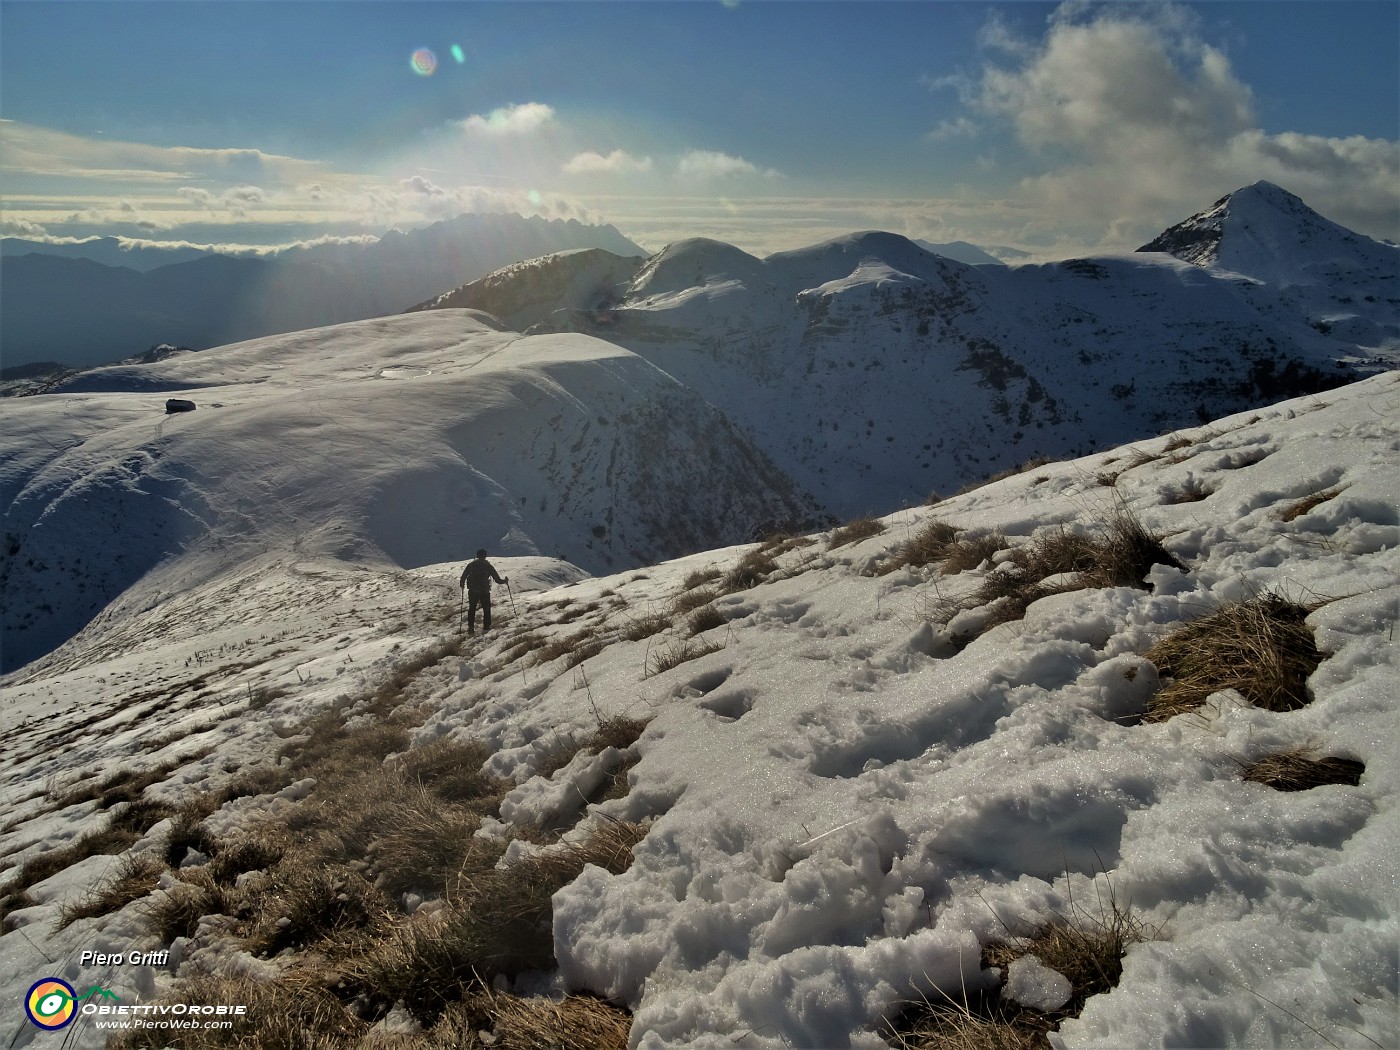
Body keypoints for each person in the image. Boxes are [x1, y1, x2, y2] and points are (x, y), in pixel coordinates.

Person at [459, 549, 508, 635]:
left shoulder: (471, 565)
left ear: (477, 556)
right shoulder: (488, 566)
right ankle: (486, 627)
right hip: (484, 590)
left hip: (473, 590)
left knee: (472, 608)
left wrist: (462, 585)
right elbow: (497, 579)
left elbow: (463, 577)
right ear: (485, 556)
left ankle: (471, 627)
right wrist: (505, 581)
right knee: (486, 608)